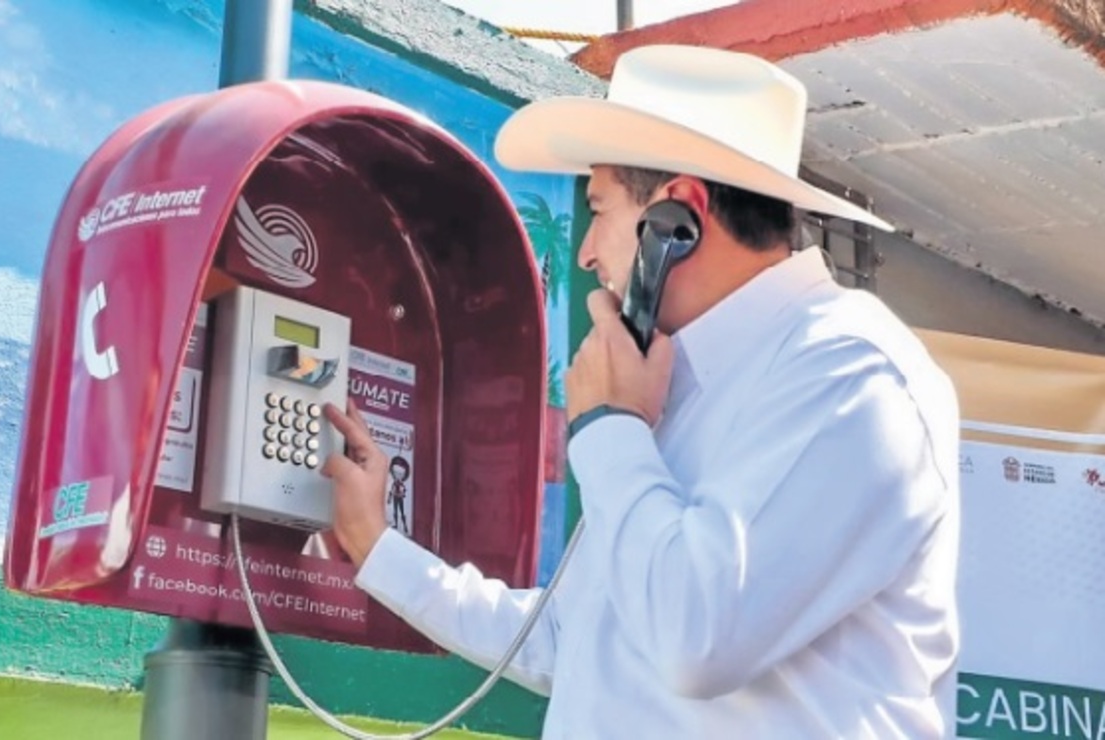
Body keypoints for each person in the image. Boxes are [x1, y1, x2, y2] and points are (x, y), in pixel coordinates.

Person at [320, 44, 962, 738]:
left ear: (675, 221)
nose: (586, 251)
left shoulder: (847, 373)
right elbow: (574, 641)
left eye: (598, 209)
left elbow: (697, 639)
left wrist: (607, 426)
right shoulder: (674, 386)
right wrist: (378, 547)